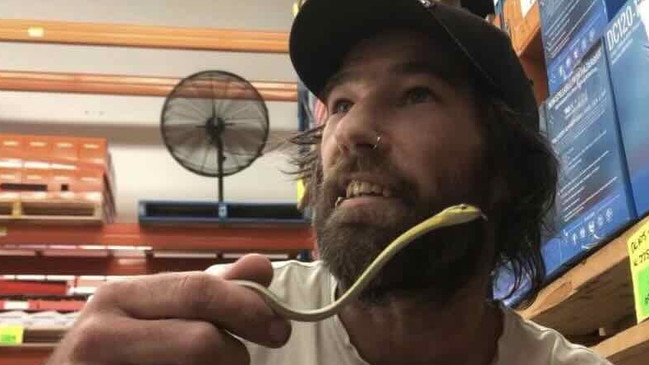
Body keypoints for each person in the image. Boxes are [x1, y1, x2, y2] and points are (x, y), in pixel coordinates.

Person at [47, 0, 612, 364]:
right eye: (340, 102)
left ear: (505, 171)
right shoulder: (229, 333)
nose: (352, 131)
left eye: (416, 94)